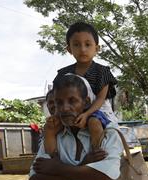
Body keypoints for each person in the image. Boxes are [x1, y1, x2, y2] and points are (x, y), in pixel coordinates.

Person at [51, 21, 118, 153]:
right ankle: (51, 155)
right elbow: (56, 96)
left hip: (97, 110)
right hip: (69, 109)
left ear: (97, 48)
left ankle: (97, 153)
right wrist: (56, 115)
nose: (82, 49)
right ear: (69, 49)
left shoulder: (103, 72)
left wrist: (87, 114)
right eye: (76, 45)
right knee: (50, 126)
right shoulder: (63, 74)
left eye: (88, 44)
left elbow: (100, 99)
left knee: (94, 123)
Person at [28, 89, 58, 180]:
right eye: (50, 102)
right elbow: (38, 164)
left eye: (58, 101)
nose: (53, 105)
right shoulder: (49, 129)